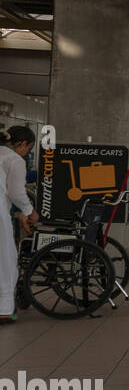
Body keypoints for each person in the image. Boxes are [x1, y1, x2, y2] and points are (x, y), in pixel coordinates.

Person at [1, 126, 38, 323]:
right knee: (5, 259)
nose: (27, 154)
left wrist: (19, 216)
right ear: (21, 144)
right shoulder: (14, 159)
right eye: (28, 149)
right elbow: (15, 193)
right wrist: (30, 212)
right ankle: (4, 310)